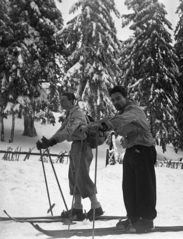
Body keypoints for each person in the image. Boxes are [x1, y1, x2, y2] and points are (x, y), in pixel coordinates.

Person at [85, 86, 157, 232]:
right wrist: (93, 126)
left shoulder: (134, 111)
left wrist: (106, 125)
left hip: (144, 150)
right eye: (113, 100)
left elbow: (119, 120)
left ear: (126, 97)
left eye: (118, 98)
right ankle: (133, 217)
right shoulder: (122, 113)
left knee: (143, 186)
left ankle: (147, 220)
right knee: (129, 187)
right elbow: (114, 122)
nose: (115, 102)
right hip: (132, 151)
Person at [36, 92, 103, 220]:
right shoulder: (70, 113)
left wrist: (53, 141)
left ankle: (96, 207)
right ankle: (77, 208)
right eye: (60, 101)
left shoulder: (77, 113)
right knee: (74, 176)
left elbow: (68, 131)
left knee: (81, 176)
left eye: (64, 100)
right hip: (76, 146)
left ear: (72, 101)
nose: (62, 103)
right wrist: (49, 142)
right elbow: (62, 130)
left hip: (82, 146)